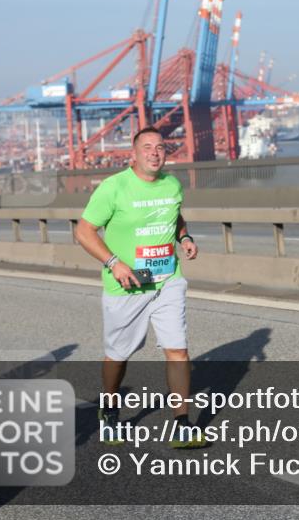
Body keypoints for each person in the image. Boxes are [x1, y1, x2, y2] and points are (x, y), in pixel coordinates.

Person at [75, 127, 206, 448]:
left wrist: (184, 237)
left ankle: (181, 424)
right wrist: (113, 263)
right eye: (147, 147)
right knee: (118, 356)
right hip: (127, 286)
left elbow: (174, 216)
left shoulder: (172, 184)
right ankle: (108, 408)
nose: (154, 152)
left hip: (167, 280)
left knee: (178, 349)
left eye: (160, 147)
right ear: (133, 154)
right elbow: (84, 231)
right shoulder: (114, 188)